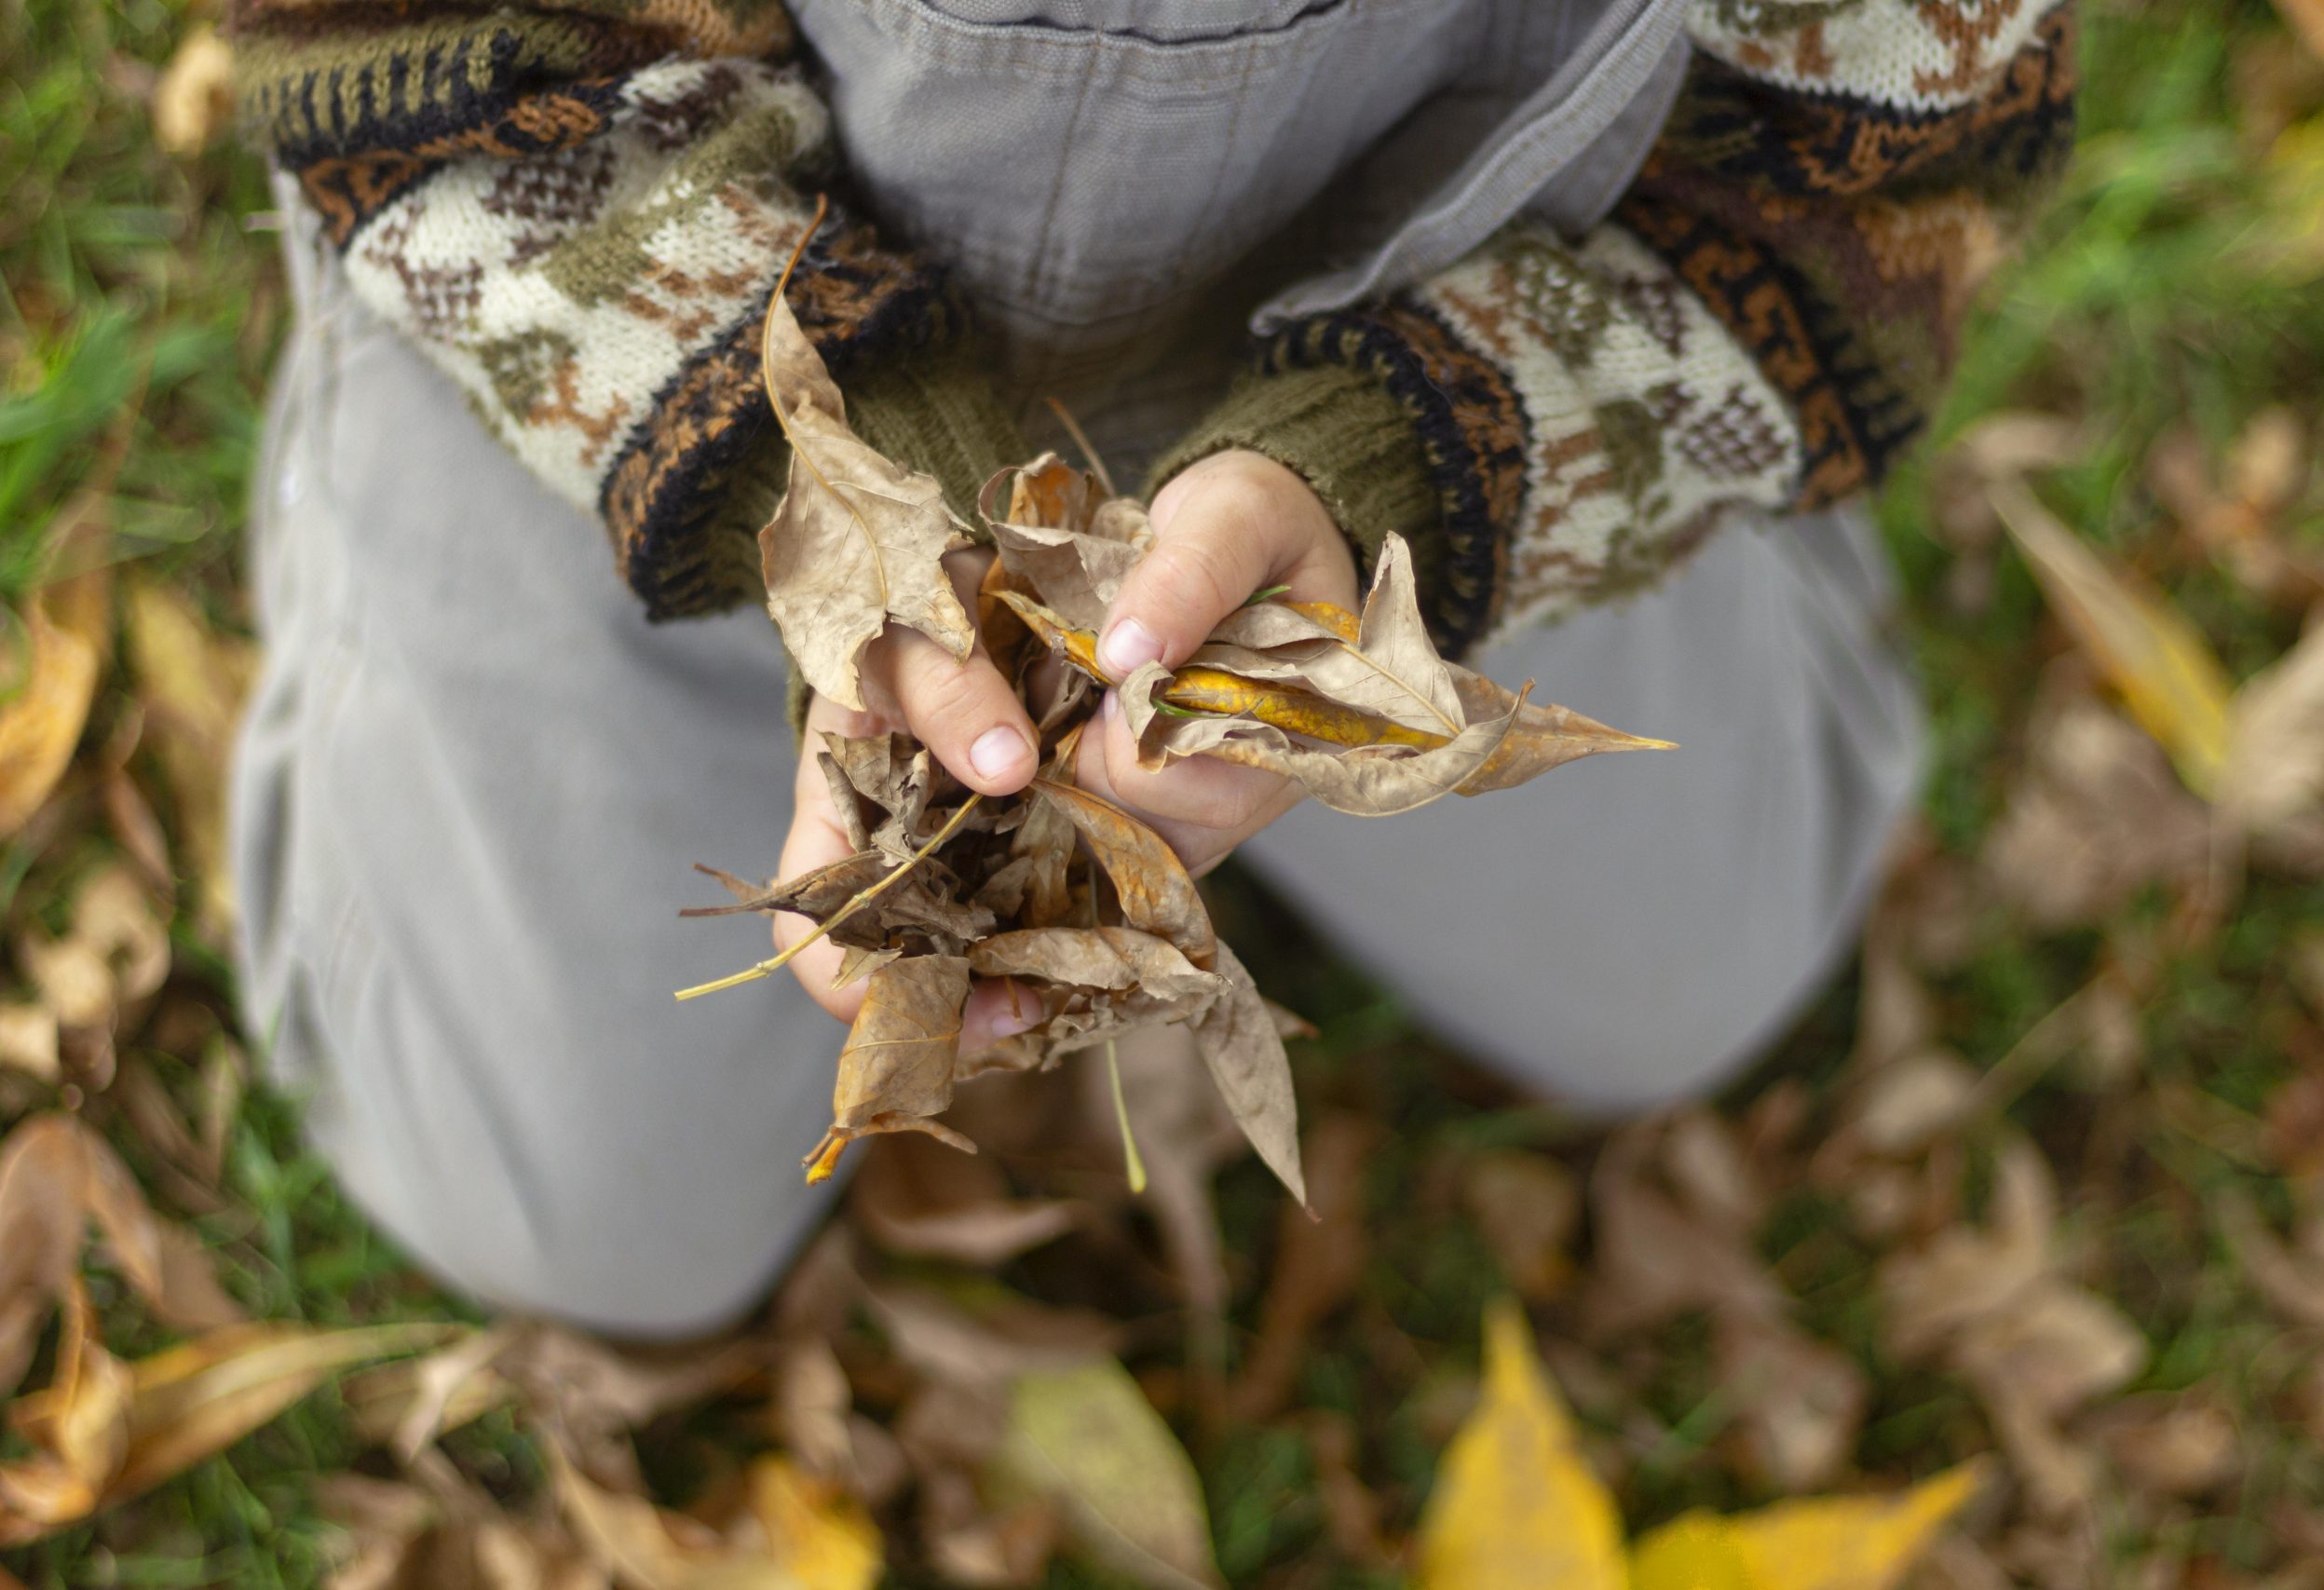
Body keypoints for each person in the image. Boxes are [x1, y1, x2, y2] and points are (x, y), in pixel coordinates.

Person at [224, 0, 2073, 1336]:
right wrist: (829, 474)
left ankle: (1674, 531)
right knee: (583, 1224)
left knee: (1682, 990)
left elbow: (1868, 194)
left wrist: (1405, 482)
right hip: (653, 284)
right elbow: (408, 38)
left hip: (1473, 330)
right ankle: (418, 500)